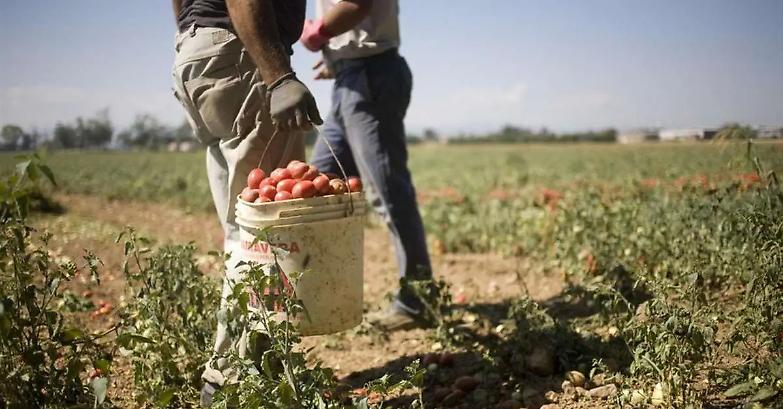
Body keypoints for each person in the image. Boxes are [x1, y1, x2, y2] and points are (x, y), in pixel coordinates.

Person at [170, 0, 322, 406]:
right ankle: (232, 382)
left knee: (243, 231)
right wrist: (278, 76)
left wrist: (198, 37)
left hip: (199, 54)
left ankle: (251, 369)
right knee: (265, 233)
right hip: (241, 53)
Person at [300, 0, 433, 331]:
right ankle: (324, 296)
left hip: (371, 75)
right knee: (319, 186)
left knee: (388, 193)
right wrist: (337, 58)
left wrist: (317, 33)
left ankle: (416, 302)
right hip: (350, 77)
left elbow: (355, 4)